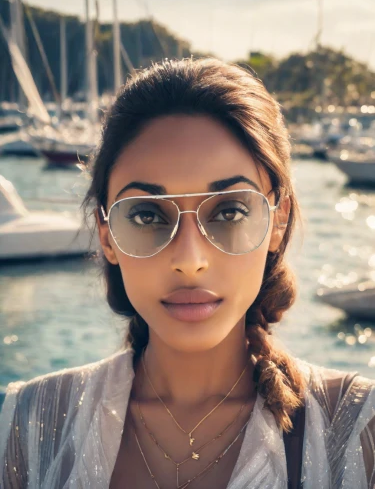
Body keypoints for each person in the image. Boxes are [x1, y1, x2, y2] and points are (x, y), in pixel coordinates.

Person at [0, 58, 374, 489]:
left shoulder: (359, 431)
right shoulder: (28, 424)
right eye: (145, 216)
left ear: (278, 221)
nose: (190, 258)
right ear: (106, 235)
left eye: (230, 211)